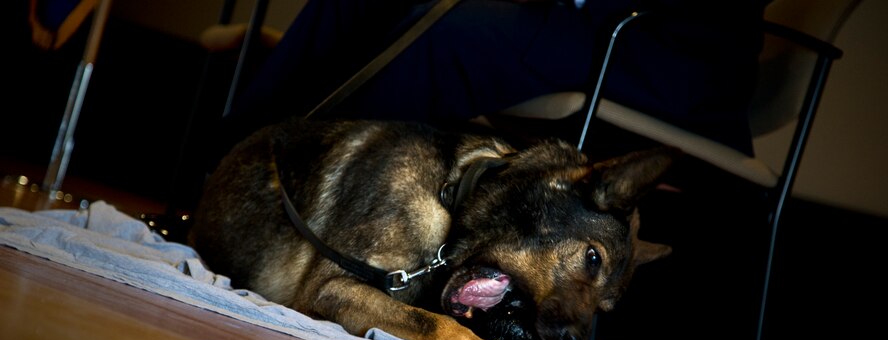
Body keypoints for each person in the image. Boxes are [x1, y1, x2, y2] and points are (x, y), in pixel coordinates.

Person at [212, 0, 768, 171]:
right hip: (589, 21)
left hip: (664, 54)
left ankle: (307, 211)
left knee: (454, 35)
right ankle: (228, 176)